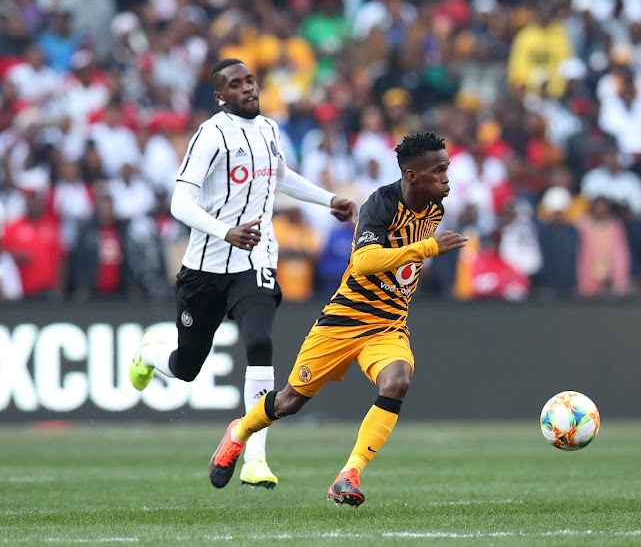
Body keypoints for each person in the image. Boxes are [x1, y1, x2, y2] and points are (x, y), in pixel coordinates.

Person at [128, 58, 356, 490]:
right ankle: (150, 353)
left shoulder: (269, 129)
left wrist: (328, 200)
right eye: (235, 84)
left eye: (250, 80)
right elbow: (180, 203)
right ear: (220, 95)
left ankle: (254, 455)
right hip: (206, 267)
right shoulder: (210, 135)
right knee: (186, 366)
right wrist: (224, 231)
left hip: (255, 260)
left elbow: (282, 177)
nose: (248, 88)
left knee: (259, 341)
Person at [206, 132, 467, 506]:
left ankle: (349, 474)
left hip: (388, 323)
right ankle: (239, 431)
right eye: (438, 170)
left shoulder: (435, 210)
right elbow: (362, 262)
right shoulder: (380, 205)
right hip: (344, 320)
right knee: (289, 402)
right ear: (412, 175)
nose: (446, 177)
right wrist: (426, 248)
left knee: (397, 382)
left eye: (447, 168)